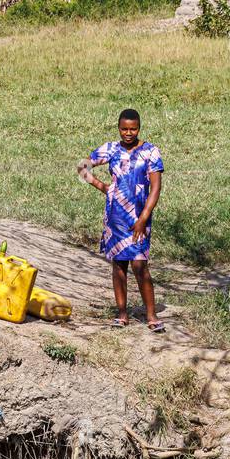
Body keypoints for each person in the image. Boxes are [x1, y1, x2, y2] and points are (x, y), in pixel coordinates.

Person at [78, 109, 166, 333]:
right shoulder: (110, 149)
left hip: (139, 217)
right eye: (124, 129)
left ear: (139, 128)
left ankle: (151, 314)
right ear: (119, 128)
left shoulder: (150, 152)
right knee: (119, 265)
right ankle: (122, 314)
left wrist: (143, 218)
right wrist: (104, 188)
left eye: (133, 128)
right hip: (115, 217)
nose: (129, 133)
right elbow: (82, 167)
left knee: (139, 264)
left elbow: (155, 188)